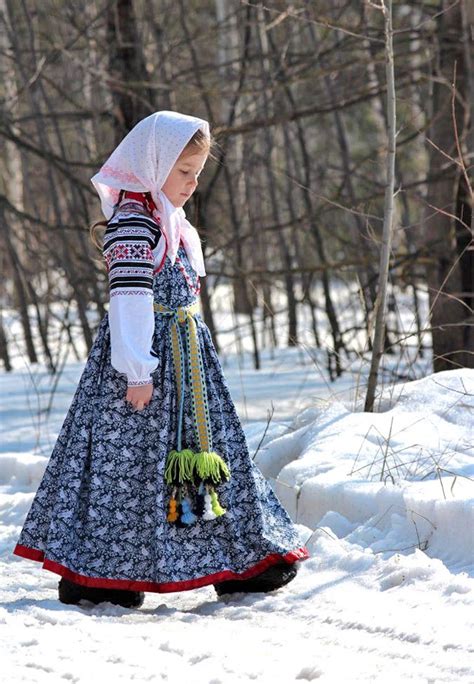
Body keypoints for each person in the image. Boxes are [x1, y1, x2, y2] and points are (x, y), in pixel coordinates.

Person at [13, 110, 310, 608]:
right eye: (184, 172)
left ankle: (238, 562)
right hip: (146, 367)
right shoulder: (134, 224)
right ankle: (106, 575)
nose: (193, 184)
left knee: (205, 460)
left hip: (189, 367)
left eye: (197, 173)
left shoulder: (169, 221)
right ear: (153, 166)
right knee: (129, 465)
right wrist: (137, 371)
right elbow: (129, 302)